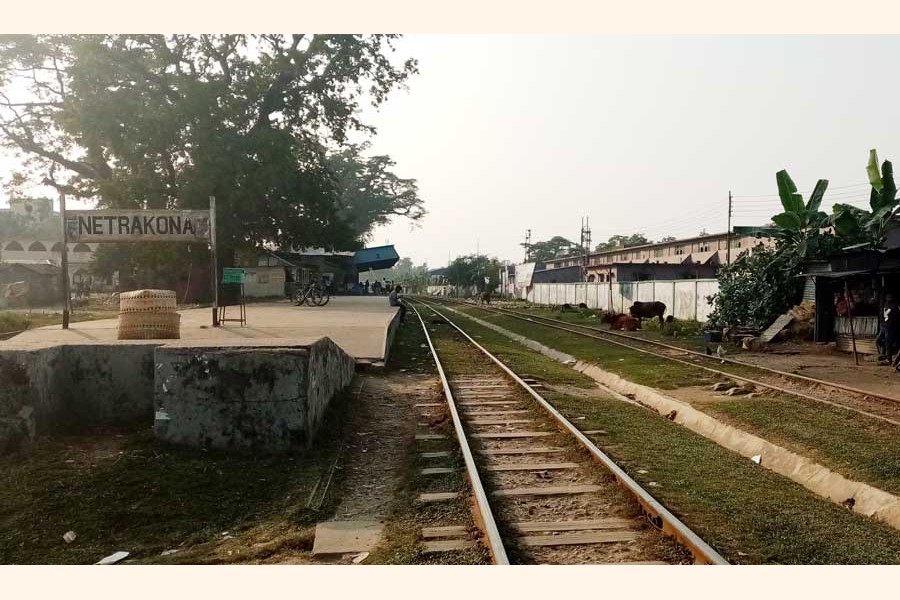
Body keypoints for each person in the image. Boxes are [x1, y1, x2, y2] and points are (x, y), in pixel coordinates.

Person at [876, 293, 900, 364]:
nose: (888, 298)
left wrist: (894, 325)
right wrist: (881, 323)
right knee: (878, 340)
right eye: (887, 297)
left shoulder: (895, 306)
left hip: (890, 327)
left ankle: (888, 359)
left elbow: (897, 318)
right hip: (883, 326)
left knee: (888, 343)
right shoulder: (884, 304)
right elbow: (881, 314)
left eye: (890, 297)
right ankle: (884, 355)